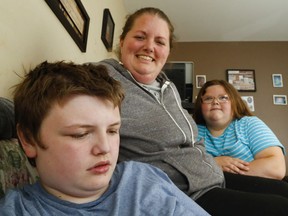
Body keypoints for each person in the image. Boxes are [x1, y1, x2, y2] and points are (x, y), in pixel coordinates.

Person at [91, 7, 288, 215]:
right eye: (140, 37)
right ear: (122, 41)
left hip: (210, 176)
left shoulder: (168, 87)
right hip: (183, 190)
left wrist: (212, 164)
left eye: (160, 41)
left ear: (167, 50)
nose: (149, 47)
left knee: (284, 190)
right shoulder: (103, 78)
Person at [0, 61, 209, 216]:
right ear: (28, 139)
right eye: (80, 134)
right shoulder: (18, 210)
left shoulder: (143, 178)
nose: (105, 148)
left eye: (112, 131)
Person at [193, 79, 286, 179]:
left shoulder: (249, 124)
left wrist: (215, 168)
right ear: (201, 105)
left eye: (223, 97)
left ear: (234, 103)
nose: (215, 102)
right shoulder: (192, 132)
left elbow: (276, 168)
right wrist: (214, 162)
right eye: (208, 98)